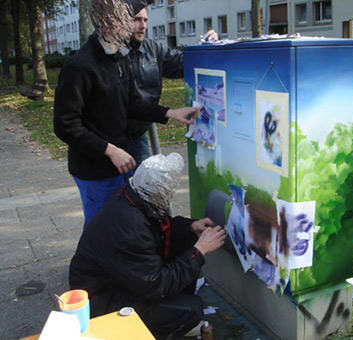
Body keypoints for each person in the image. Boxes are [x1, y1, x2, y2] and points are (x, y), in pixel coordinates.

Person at [53, 0, 201, 226]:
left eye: (141, 20)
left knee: (125, 223)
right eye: (131, 20)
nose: (137, 26)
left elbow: (131, 104)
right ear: (107, 22)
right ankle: (92, 262)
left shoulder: (119, 58)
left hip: (120, 160)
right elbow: (65, 125)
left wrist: (170, 113)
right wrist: (110, 150)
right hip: (94, 169)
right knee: (102, 228)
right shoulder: (79, 66)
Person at [69, 152, 226, 340]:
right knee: (191, 309)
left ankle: (172, 311)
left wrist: (190, 226)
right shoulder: (130, 228)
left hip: (119, 278)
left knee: (187, 239)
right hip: (101, 301)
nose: (170, 195)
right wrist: (200, 250)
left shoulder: (132, 195)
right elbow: (157, 285)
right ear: (154, 191)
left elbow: (157, 226)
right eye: (166, 191)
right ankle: (148, 332)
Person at [127, 7, 218, 165]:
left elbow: (183, 64)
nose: (142, 25)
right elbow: (124, 103)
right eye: (137, 19)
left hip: (137, 135)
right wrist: (169, 112)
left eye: (145, 20)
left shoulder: (152, 50)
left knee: (144, 187)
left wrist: (208, 47)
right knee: (115, 188)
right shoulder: (113, 54)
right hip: (111, 138)